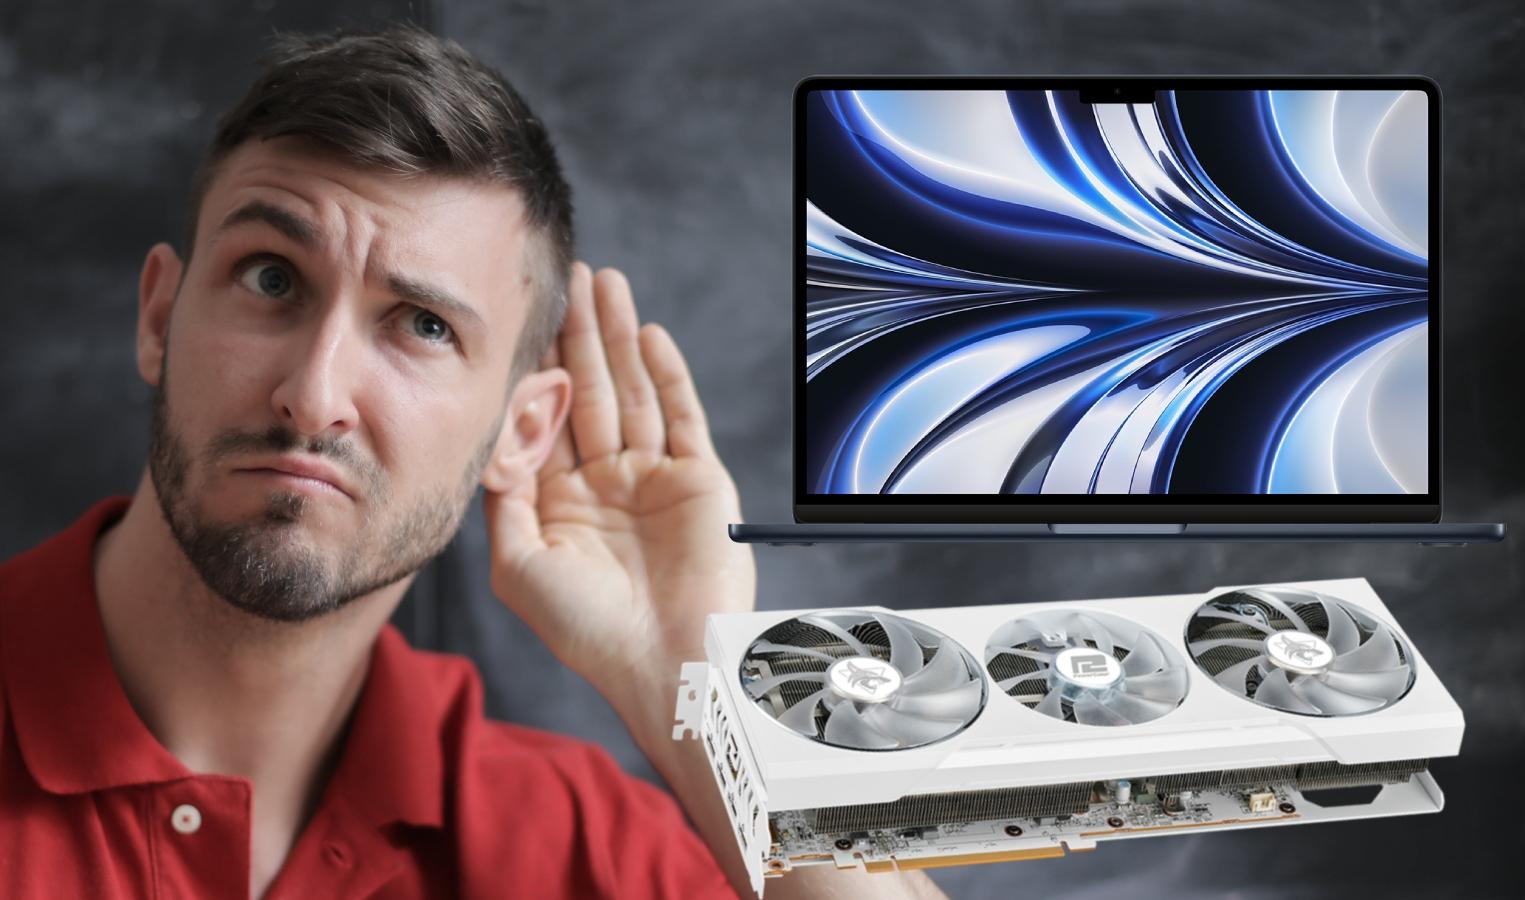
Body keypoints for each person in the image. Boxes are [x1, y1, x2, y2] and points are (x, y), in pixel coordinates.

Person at [0, 25, 946, 900]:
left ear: (520, 433)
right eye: (271, 278)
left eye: (421, 325)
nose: (314, 392)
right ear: (160, 317)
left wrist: (691, 686)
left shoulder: (582, 847)